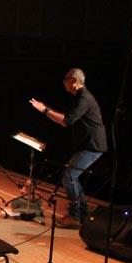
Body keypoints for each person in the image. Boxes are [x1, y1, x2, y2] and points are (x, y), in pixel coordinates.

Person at [30, 68, 107, 228]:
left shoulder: (84, 98)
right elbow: (65, 121)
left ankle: (75, 216)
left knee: (69, 177)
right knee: (72, 177)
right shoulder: (80, 97)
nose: (63, 82)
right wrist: (46, 110)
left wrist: (45, 110)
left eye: (66, 79)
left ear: (74, 81)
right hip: (88, 144)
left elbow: (68, 121)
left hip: (92, 145)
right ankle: (83, 214)